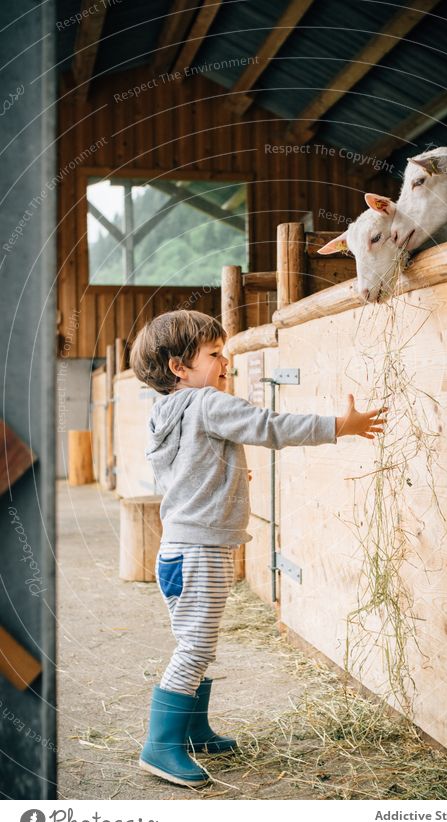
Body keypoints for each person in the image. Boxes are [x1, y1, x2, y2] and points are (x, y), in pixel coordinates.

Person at [129, 309, 387, 788]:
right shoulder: (206, 402)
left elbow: (183, 472)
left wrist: (224, 479)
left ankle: (192, 730)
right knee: (195, 646)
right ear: (178, 368)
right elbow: (269, 426)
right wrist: (339, 426)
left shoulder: (164, 412)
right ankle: (159, 746)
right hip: (200, 552)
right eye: (214, 353)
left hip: (180, 550)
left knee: (198, 644)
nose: (225, 361)